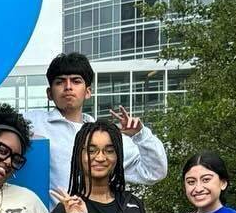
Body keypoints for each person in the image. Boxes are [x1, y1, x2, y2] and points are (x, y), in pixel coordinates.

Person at [24, 52, 167, 195]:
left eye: (76, 81)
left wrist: (140, 135)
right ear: (49, 93)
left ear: (87, 92)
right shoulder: (32, 122)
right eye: (60, 82)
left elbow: (154, 172)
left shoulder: (105, 136)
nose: (68, 87)